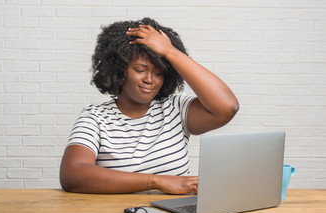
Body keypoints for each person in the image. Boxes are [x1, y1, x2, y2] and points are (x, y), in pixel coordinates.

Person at [60, 17, 239, 195]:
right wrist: (157, 182)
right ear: (119, 69)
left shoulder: (175, 109)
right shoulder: (95, 118)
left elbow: (227, 107)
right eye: (140, 69)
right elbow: (73, 174)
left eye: (159, 73)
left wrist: (170, 52)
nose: (149, 79)